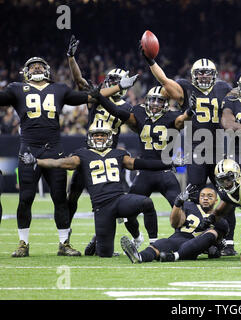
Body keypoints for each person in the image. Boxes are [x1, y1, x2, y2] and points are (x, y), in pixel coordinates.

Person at [141, 50, 241, 256]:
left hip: (218, 149)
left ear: (214, 75)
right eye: (200, 73)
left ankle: (228, 243)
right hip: (196, 150)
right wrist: (151, 61)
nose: (204, 76)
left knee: (228, 196)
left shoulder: (223, 89)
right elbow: (164, 80)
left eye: (208, 73)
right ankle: (190, 235)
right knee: (192, 195)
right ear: (193, 75)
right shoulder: (185, 88)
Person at [0, 56, 137, 257]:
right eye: (32, 66)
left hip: (54, 149)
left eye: (40, 65)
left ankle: (64, 243)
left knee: (60, 198)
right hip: (28, 149)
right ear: (26, 71)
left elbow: (90, 96)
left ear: (47, 70)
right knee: (25, 198)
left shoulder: (59, 89)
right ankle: (23, 243)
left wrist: (118, 87)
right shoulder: (16, 88)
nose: (36, 67)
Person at [19, 120, 176, 258]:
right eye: (96, 135)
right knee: (104, 253)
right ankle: (99, 244)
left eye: (102, 135)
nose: (99, 138)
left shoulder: (118, 154)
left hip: (120, 200)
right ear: (90, 137)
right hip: (102, 207)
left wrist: (169, 163)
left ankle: (153, 243)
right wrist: (37, 161)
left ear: (109, 137)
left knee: (146, 202)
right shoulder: (82, 155)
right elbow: (60, 163)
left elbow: (143, 164)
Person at [66, 35, 142, 253]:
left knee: (117, 201)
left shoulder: (127, 107)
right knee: (73, 194)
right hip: (88, 153)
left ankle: (129, 238)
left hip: (110, 159)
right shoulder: (96, 97)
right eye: (111, 80)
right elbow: (80, 82)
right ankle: (65, 237)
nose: (112, 84)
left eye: (116, 82)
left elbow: (139, 126)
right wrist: (71, 58)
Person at [94, 85, 195, 245]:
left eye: (159, 100)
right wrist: (100, 97)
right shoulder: (139, 113)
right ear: (146, 101)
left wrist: (190, 111)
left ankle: (177, 240)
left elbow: (182, 119)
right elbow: (118, 112)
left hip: (166, 173)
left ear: (166, 103)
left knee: (181, 208)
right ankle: (137, 237)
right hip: (145, 173)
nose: (155, 103)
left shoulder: (172, 116)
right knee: (126, 212)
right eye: (152, 99)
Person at [120, 185, 229, 263]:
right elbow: (175, 223)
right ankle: (139, 257)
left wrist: (214, 247)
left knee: (211, 232)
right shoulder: (189, 206)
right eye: (202, 196)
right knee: (158, 245)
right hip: (178, 238)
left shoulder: (221, 221)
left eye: (210, 196)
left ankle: (174, 256)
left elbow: (216, 242)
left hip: (194, 245)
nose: (205, 198)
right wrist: (177, 204)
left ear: (216, 200)